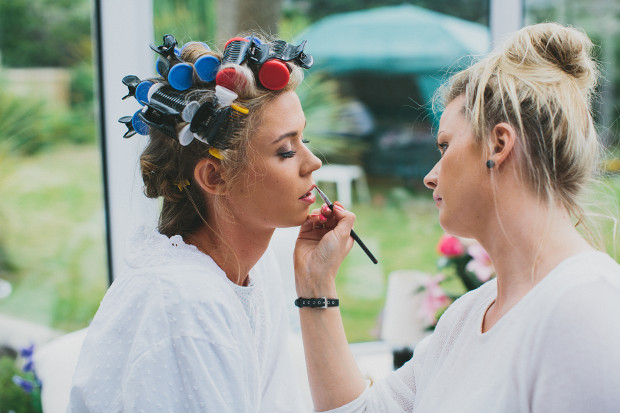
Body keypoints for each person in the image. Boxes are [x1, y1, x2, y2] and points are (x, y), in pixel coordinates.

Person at [294, 22, 620, 412]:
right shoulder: (468, 316)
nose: (431, 176)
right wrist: (316, 285)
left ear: (498, 145)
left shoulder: (584, 310)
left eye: (445, 146)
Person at [67, 33, 321, 412]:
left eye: (304, 140)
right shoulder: (183, 304)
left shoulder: (255, 271)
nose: (313, 162)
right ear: (215, 177)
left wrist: (319, 285)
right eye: (286, 150)